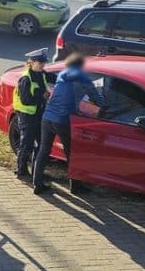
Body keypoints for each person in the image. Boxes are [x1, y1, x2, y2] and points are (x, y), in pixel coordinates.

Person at [32, 52, 103, 194]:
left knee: (44, 150)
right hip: (63, 120)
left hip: (47, 117)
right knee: (71, 153)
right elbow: (99, 100)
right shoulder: (84, 78)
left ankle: (37, 183)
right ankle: (75, 187)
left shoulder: (62, 74)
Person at [13, 48, 49, 179]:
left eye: (44, 63)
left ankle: (36, 172)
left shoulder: (41, 74)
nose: (43, 65)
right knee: (26, 143)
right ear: (32, 62)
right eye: (40, 62)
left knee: (40, 143)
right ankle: (21, 170)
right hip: (26, 116)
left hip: (39, 114)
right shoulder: (25, 79)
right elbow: (26, 100)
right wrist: (42, 97)